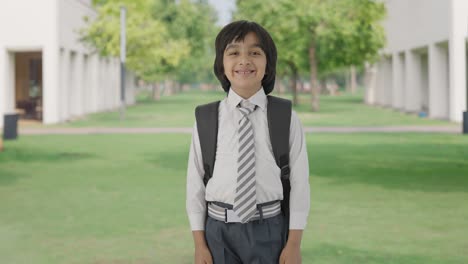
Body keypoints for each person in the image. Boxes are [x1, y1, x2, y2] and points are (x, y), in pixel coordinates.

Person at [186, 20, 310, 264]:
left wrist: (294, 243)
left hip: (270, 231)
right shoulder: (206, 118)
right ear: (222, 64)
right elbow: (194, 185)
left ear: (268, 64)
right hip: (218, 233)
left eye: (255, 52)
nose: (244, 60)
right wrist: (199, 244)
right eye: (233, 52)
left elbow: (300, 183)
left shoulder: (285, 116)